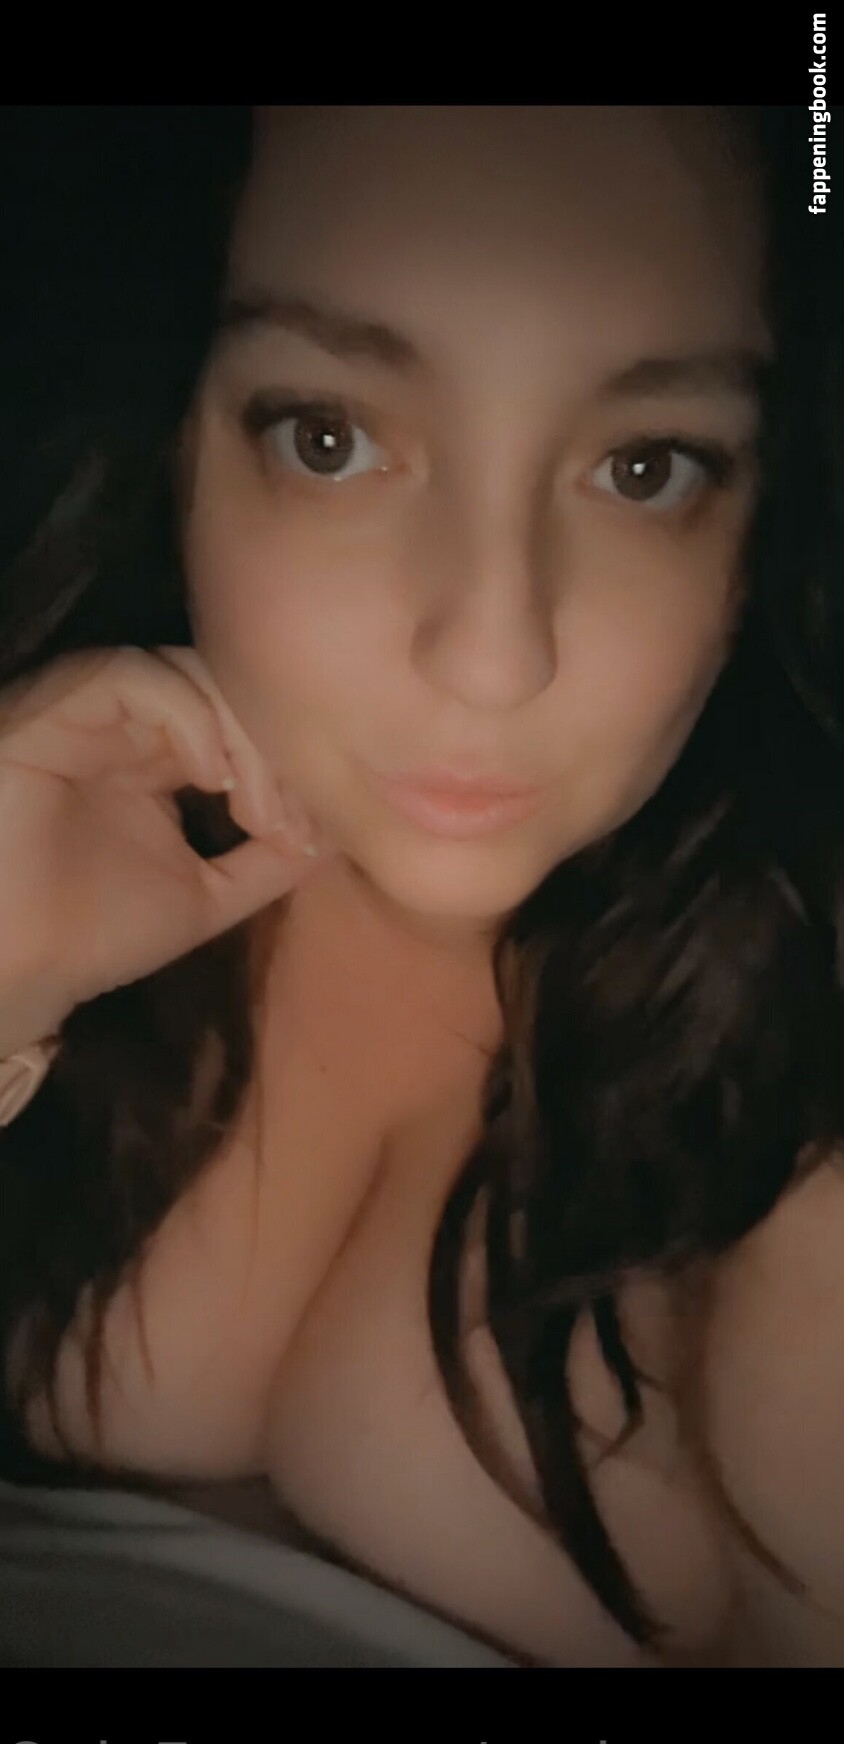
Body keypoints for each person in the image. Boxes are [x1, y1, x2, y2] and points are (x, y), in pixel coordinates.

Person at [0, 104, 841, 1668]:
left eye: (645, 467)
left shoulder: (797, 1096)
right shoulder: (49, 787)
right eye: (329, 438)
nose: (492, 653)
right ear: (175, 438)